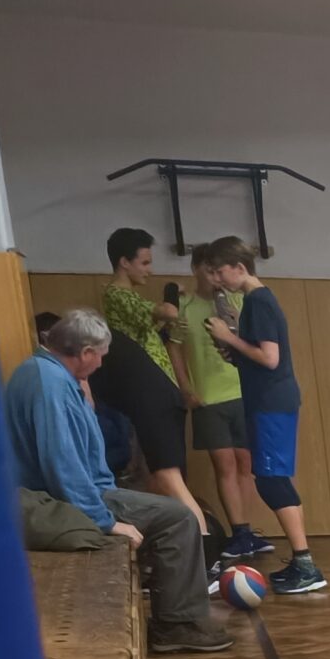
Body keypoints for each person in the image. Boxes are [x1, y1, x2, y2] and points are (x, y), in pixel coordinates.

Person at [4, 310, 233, 653]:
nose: (101, 364)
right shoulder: (49, 384)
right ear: (85, 353)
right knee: (178, 517)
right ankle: (176, 624)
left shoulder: (45, 373)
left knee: (167, 511)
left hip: (68, 493)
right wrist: (106, 522)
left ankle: (176, 616)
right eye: (100, 356)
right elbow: (62, 464)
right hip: (56, 502)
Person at [204, 237, 325, 595]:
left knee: (272, 480)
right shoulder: (256, 302)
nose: (217, 279)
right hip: (268, 400)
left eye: (220, 271)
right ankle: (303, 561)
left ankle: (305, 563)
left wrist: (229, 337)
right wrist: (236, 354)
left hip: (272, 402)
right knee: (273, 478)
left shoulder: (258, 301)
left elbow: (270, 358)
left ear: (239, 267)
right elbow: (259, 356)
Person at [96, 225, 208, 537]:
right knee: (165, 478)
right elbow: (166, 311)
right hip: (151, 393)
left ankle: (197, 545)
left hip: (158, 391)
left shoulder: (130, 300)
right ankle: (195, 544)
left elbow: (162, 323)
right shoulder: (116, 294)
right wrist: (171, 295)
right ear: (124, 262)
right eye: (144, 262)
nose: (150, 269)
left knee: (167, 477)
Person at [181, 241, 269, 560]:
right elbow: (174, 349)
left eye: (219, 271)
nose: (215, 278)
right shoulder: (184, 307)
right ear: (196, 270)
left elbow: (256, 343)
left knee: (246, 463)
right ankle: (239, 529)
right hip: (209, 397)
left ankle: (246, 530)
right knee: (225, 464)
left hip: (242, 392)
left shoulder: (237, 300)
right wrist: (186, 388)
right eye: (209, 271)